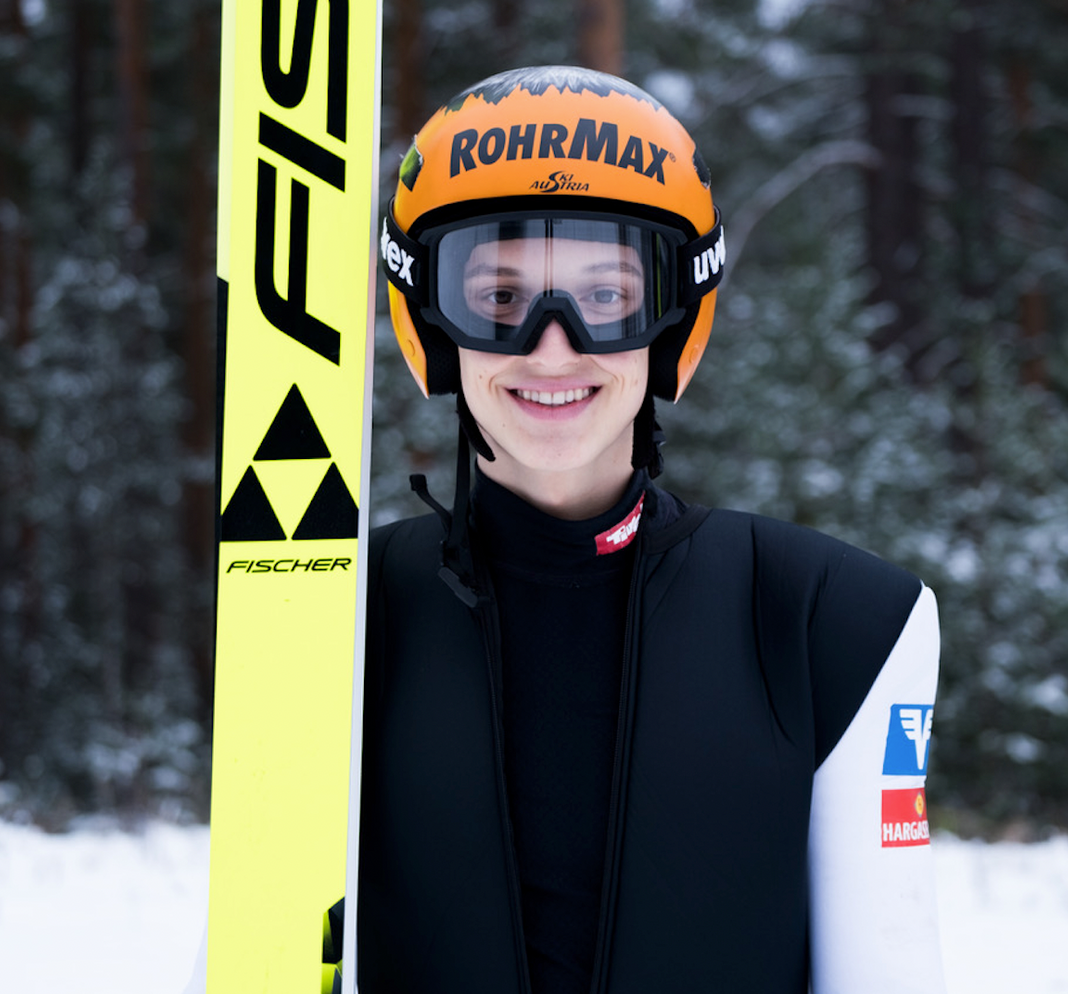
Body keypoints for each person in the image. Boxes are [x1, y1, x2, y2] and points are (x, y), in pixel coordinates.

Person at [354, 65, 946, 992]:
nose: (553, 345)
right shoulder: (338, 616)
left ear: (674, 318)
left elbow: (889, 966)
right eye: (500, 300)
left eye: (606, 297)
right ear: (429, 318)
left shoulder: (836, 623)